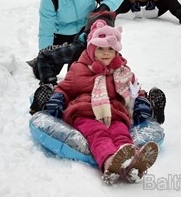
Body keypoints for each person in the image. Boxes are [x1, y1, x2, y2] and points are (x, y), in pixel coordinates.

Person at [43, 21, 159, 184]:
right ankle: (110, 162)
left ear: (117, 51)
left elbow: (135, 89)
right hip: (85, 112)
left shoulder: (123, 71)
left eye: (110, 49)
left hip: (115, 113)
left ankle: (133, 164)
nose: (106, 53)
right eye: (100, 49)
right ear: (91, 49)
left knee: (121, 133)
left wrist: (141, 100)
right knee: (98, 134)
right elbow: (64, 88)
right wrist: (58, 98)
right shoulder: (79, 69)